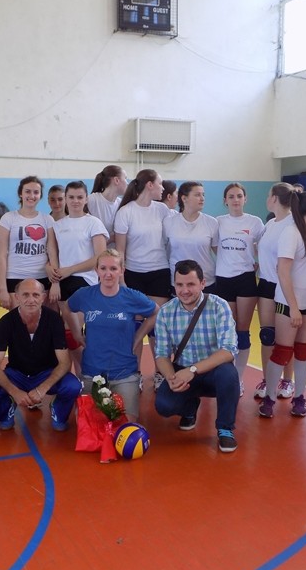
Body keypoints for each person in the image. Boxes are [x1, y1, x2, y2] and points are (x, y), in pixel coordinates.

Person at [154, 260, 241, 453]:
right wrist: (171, 378)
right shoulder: (166, 312)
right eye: (179, 285)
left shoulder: (219, 306)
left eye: (191, 284)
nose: (184, 290)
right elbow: (161, 354)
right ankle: (189, 408)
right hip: (183, 370)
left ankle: (225, 428)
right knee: (164, 405)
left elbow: (228, 350)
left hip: (213, 371)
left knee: (229, 375)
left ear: (203, 283)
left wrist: (192, 370)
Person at [0, 279, 81, 431]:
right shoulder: (6, 322)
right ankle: (6, 410)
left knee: (73, 386)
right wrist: (14, 391)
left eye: (36, 295)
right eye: (25, 295)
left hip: (46, 372)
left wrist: (42, 388)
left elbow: (64, 362)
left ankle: (57, 408)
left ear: (43, 297)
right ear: (17, 297)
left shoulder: (54, 319)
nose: (31, 300)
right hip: (16, 374)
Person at [67, 249, 158, 421]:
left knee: (126, 424)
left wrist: (138, 336)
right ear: (97, 270)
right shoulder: (85, 295)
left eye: (113, 268)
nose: (108, 274)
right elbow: (67, 307)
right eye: (103, 268)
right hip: (92, 373)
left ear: (122, 270)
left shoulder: (132, 297)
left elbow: (156, 312)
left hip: (124, 374)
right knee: (87, 423)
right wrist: (76, 332)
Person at [258, 191, 306, 418]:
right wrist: (293, 307)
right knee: (282, 351)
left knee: (303, 351)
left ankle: (299, 397)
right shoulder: (291, 233)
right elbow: (282, 272)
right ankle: (269, 397)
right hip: (289, 304)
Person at [114, 168, 175, 389]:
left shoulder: (163, 210)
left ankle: (160, 373)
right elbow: (120, 251)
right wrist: (121, 281)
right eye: (160, 184)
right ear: (149, 185)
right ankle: (135, 373)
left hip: (159, 272)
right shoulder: (125, 212)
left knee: (158, 327)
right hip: (134, 274)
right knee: (137, 326)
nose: (162, 188)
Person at [46, 181, 108, 376]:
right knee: (68, 335)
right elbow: (53, 257)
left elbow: (100, 257)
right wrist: (55, 281)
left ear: (86, 199)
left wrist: (69, 270)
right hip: (63, 281)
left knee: (74, 332)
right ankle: (79, 375)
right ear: (66, 198)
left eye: (80, 197)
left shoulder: (93, 223)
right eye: (71, 197)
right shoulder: (57, 226)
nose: (75, 201)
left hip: (85, 281)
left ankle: (88, 374)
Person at [215, 182, 264, 395]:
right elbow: (214, 246)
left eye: (239, 196)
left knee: (242, 332)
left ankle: (238, 378)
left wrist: (257, 263)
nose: (236, 200)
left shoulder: (255, 222)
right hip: (223, 279)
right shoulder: (218, 222)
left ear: (245, 199)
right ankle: (226, 377)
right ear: (225, 200)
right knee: (228, 331)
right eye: (231, 196)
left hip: (245, 279)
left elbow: (264, 247)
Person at [253, 182, 296, 400]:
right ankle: (267, 378)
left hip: (284, 286)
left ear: (274, 199)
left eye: (268, 195)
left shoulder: (293, 224)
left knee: (285, 339)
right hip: (266, 284)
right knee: (267, 335)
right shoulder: (270, 224)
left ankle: (287, 380)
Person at [0, 176, 54, 310]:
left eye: (36, 192)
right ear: (20, 194)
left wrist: (55, 283)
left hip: (41, 277)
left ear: (40, 195)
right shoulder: (8, 218)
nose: (32, 196)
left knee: (40, 319)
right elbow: (2, 255)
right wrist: (3, 288)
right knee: (18, 319)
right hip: (15, 276)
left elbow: (52, 252)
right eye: (28, 191)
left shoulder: (47, 219)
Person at [163, 181, 218, 293]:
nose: (202, 198)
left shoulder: (212, 222)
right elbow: (164, 251)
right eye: (197, 195)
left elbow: (220, 253)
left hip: (206, 281)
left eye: (203, 195)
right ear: (184, 198)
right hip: (179, 281)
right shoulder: (169, 222)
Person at [88, 165, 128, 247]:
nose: (127, 183)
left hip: (114, 253)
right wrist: (111, 239)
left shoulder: (121, 204)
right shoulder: (91, 201)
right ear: (116, 180)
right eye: (125, 178)